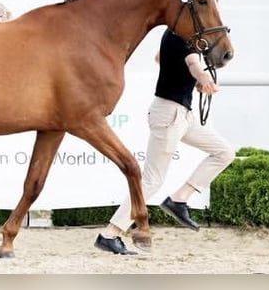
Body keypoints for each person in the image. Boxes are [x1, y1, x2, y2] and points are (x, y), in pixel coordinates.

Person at [94, 26, 236, 255]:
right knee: (152, 180)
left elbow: (159, 58)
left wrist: (186, 75)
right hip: (170, 115)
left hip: (183, 115)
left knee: (225, 152)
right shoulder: (182, 38)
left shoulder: (172, 36)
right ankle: (110, 233)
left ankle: (179, 199)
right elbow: (194, 64)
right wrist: (203, 78)